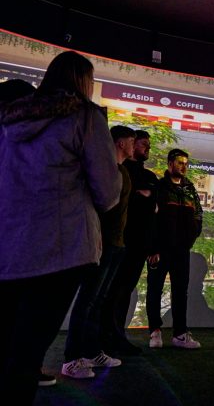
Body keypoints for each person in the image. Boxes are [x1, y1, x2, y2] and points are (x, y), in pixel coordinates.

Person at [0, 52, 121, 404]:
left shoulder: (8, 120)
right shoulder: (85, 117)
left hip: (9, 247)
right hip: (61, 249)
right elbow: (108, 192)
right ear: (85, 81)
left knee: (6, 347)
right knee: (29, 352)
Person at [62, 125, 135, 379]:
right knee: (88, 300)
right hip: (100, 244)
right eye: (131, 140)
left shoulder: (123, 171)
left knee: (99, 300)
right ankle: (72, 358)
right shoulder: (105, 171)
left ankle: (92, 351)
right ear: (120, 143)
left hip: (117, 245)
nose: (135, 145)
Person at [103, 130, 159, 356]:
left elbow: (155, 206)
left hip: (139, 245)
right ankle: (107, 337)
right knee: (113, 292)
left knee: (124, 292)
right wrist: (144, 199)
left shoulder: (150, 177)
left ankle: (117, 336)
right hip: (120, 242)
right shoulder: (120, 170)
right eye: (143, 143)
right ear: (131, 144)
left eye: (148, 144)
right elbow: (131, 204)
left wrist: (147, 198)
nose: (147, 147)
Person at [146, 148, 203, 349]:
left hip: (182, 250)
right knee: (154, 289)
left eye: (186, 163)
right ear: (170, 164)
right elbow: (151, 219)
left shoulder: (190, 189)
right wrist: (152, 248)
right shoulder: (159, 187)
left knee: (181, 291)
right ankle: (155, 331)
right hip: (160, 250)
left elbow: (198, 215)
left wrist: (190, 239)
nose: (183, 166)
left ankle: (180, 333)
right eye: (180, 162)